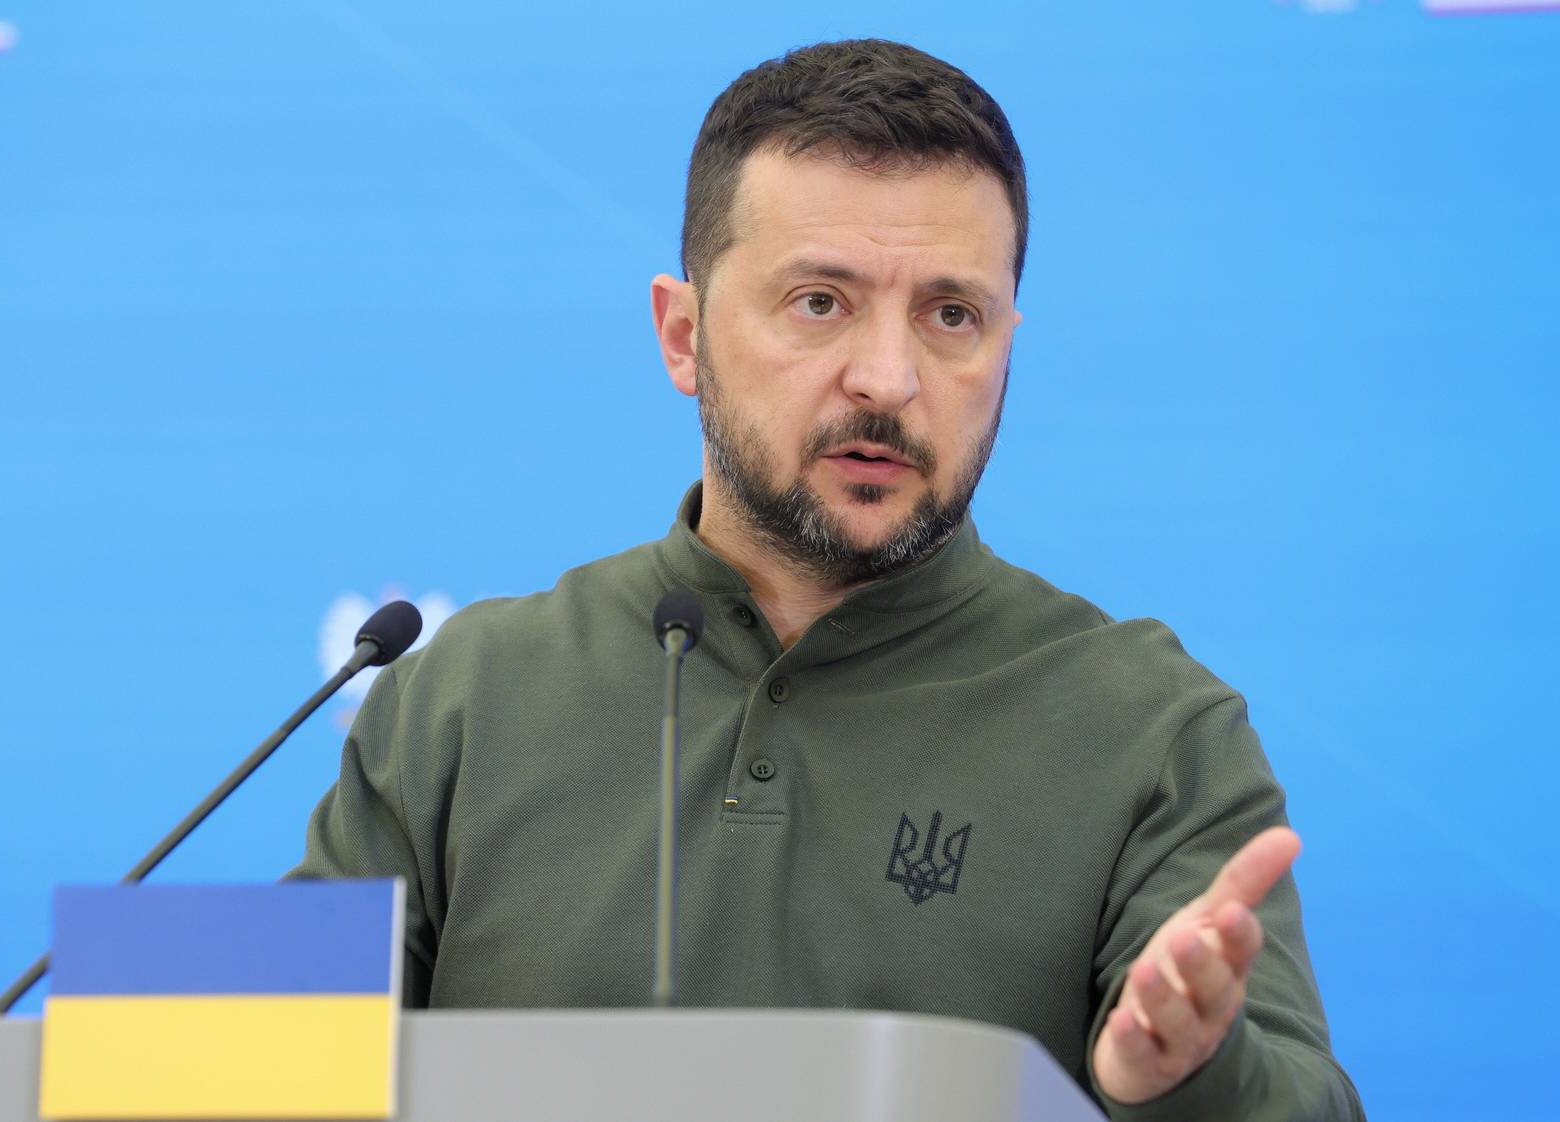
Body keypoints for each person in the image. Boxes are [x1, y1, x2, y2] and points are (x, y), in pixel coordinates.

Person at [292, 38, 1363, 1120]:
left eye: (951, 315)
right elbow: (277, 1071)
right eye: (819, 302)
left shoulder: (1148, 727)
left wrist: (1185, 1077)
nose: (888, 378)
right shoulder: (466, 695)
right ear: (682, 334)